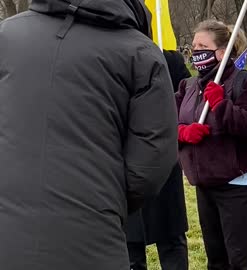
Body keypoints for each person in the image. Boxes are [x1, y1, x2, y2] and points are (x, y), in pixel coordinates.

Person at [0, 1, 178, 269]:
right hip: (94, 237)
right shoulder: (141, 54)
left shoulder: (5, 36)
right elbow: (153, 161)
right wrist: (105, 197)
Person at [176, 19, 247, 270]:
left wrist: (221, 105)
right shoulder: (189, 86)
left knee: (239, 260)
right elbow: (163, 122)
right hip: (205, 181)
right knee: (216, 259)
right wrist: (182, 133)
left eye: (202, 46)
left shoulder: (243, 82)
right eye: (193, 46)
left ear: (221, 52)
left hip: (237, 182)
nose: (195, 51)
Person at [126, 50, 191, 270]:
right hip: (124, 161)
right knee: (129, 245)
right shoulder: (108, 57)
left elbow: (187, 96)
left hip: (162, 160)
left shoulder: (169, 59)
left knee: (171, 239)